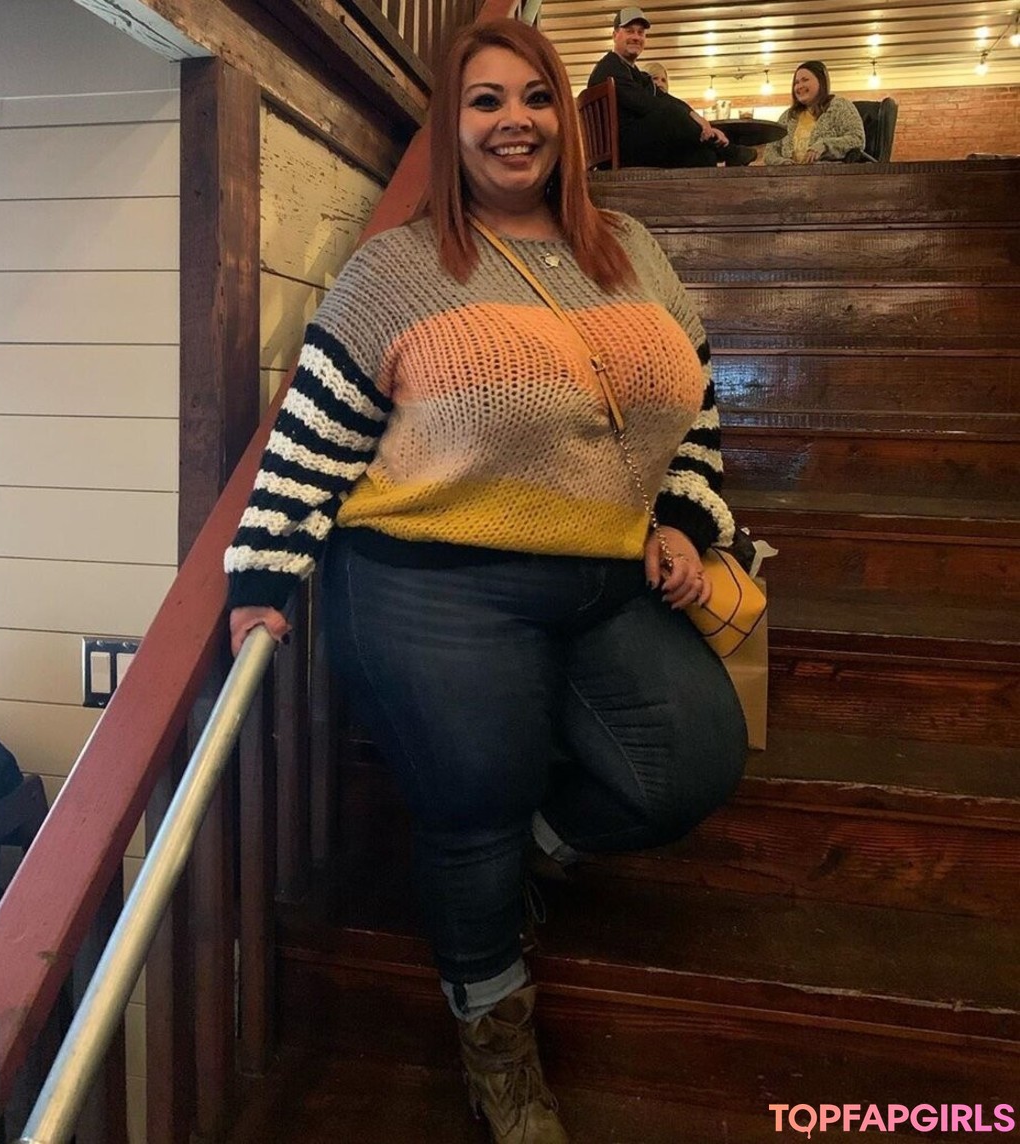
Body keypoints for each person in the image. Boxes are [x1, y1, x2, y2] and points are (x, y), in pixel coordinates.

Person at [225, 17, 746, 1143]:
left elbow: (695, 409)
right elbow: (313, 438)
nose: (516, 121)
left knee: (691, 763)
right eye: (486, 101)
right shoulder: (398, 269)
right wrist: (262, 574)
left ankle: (524, 858)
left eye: (536, 97)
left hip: (602, 574)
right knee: (472, 806)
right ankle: (497, 1047)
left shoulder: (633, 250)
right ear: (450, 128)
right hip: (432, 583)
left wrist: (683, 518)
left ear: (567, 117)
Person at [587, 8, 755, 168]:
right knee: (669, 114)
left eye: (641, 32)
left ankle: (723, 154)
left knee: (704, 155)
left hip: (638, 146)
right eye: (629, 31)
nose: (636, 37)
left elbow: (664, 97)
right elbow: (647, 104)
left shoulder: (635, 73)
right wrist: (701, 127)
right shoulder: (610, 67)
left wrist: (700, 119)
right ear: (615, 35)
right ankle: (729, 151)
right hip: (621, 151)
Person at [763, 60, 865, 165]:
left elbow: (857, 139)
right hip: (791, 174)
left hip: (830, 173)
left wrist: (824, 146)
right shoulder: (788, 116)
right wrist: (781, 162)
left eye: (805, 80)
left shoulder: (840, 106)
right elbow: (770, 152)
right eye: (796, 83)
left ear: (821, 82)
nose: (799, 86)